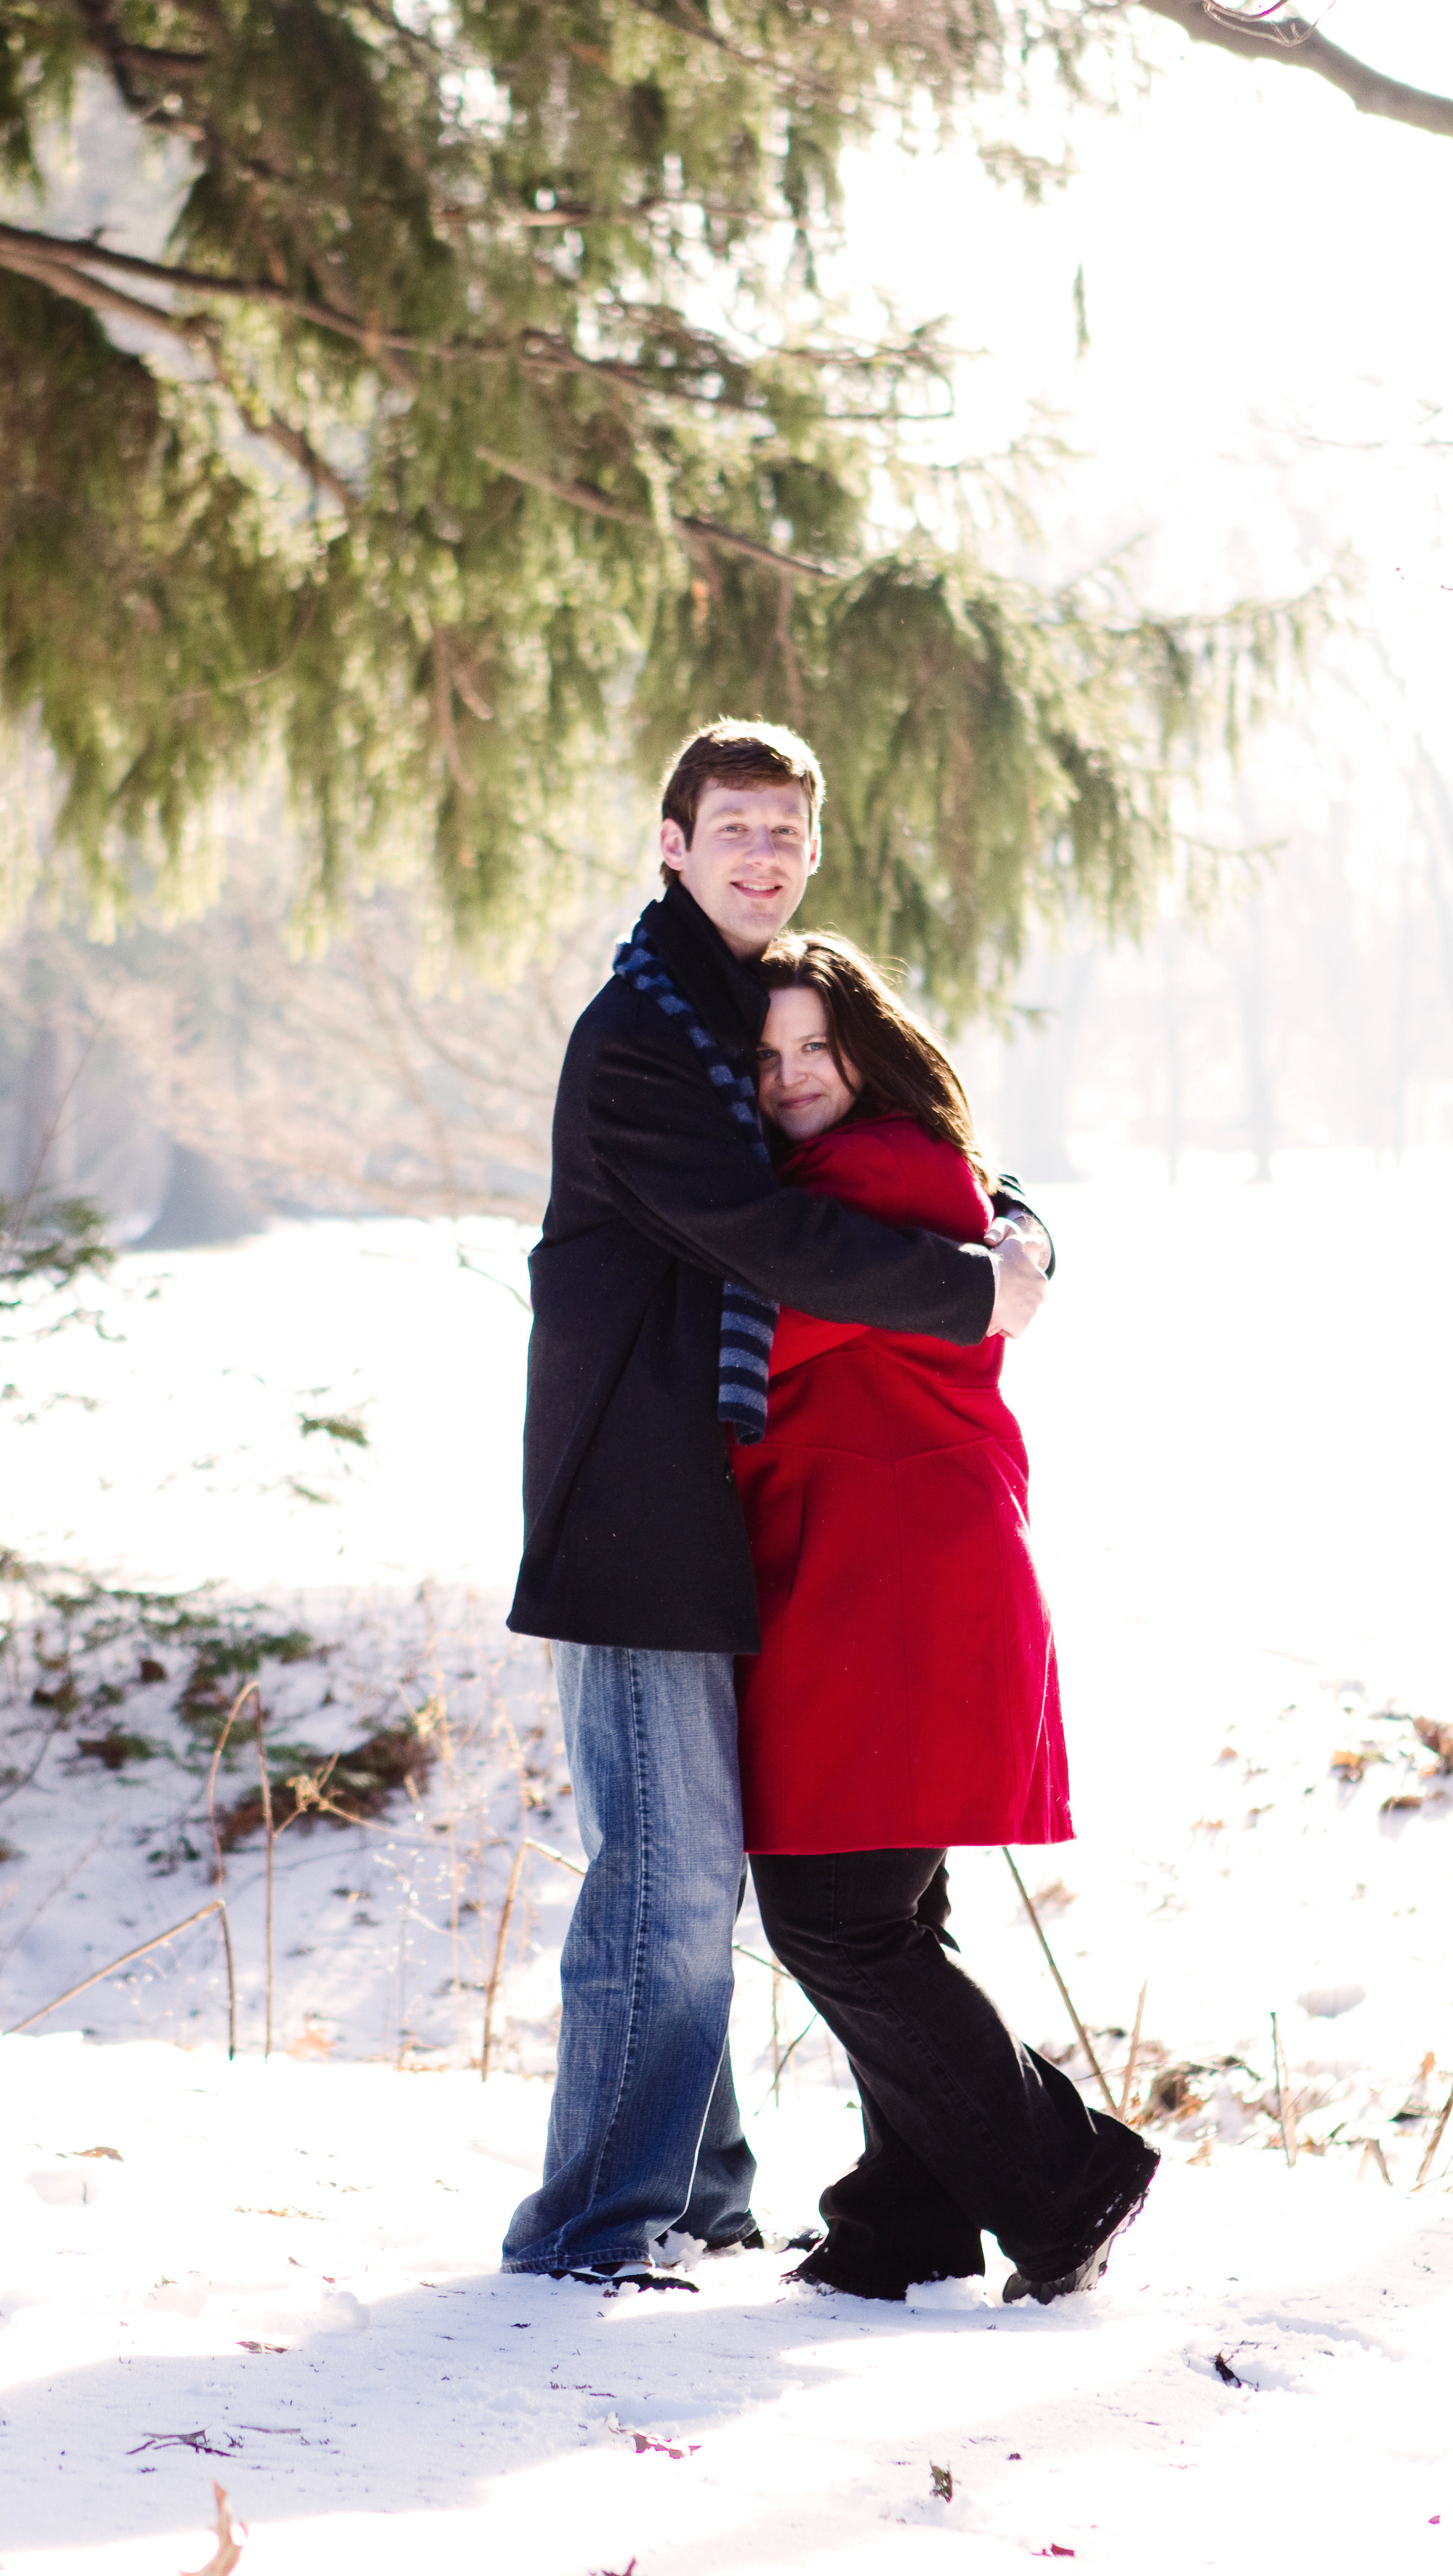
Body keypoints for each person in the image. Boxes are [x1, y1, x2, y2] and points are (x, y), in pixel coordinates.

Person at [502, 719, 1051, 2283]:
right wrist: (973, 1293)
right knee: (666, 1882)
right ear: (668, 844)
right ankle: (597, 2228)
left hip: (732, 1523)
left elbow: (908, 1124)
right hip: (634, 1520)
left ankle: (701, 2194)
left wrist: (1018, 1234)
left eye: (783, 834)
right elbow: (764, 1232)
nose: (760, 856)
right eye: (730, 829)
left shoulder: (750, 1013)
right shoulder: (641, 1036)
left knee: (702, 1871)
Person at [735, 931, 1156, 2304]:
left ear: (868, 1051)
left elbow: (754, 1332)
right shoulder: (869, 1172)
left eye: (818, 1047)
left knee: (837, 1914)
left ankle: (1067, 2170)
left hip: (895, 1581)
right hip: (880, 1571)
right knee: (890, 1908)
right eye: (767, 1055)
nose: (793, 1075)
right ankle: (904, 2214)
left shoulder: (869, 1183)